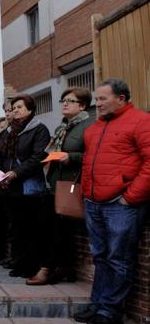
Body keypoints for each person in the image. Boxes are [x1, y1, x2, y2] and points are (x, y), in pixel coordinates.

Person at [73, 79, 150, 324]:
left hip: (121, 203)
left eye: (103, 99)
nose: (98, 104)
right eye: (96, 99)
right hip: (94, 201)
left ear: (122, 98)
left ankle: (110, 311)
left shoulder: (141, 121)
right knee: (101, 257)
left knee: (118, 258)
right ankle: (97, 304)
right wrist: (87, 193)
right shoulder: (94, 128)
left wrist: (130, 196)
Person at [26, 87, 93, 285]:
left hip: (72, 186)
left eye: (70, 101)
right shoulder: (62, 127)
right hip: (54, 184)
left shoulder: (89, 126)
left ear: (81, 105)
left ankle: (47, 269)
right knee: (52, 228)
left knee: (58, 230)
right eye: (63, 100)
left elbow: (92, 156)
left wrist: (70, 157)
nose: (64, 103)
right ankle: (64, 268)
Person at [0, 94, 50, 278]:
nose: (15, 110)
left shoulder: (39, 129)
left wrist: (16, 173)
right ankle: (19, 262)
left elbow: (38, 157)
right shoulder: (7, 132)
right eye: (13, 107)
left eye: (19, 107)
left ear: (30, 110)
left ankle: (32, 265)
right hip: (7, 186)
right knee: (16, 227)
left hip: (27, 186)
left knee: (30, 227)